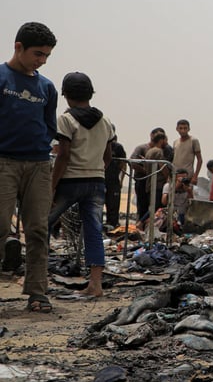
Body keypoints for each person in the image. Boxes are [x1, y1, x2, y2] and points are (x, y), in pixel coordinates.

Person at [0, 23, 58, 313]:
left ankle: (37, 292)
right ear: (18, 46)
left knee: (37, 229)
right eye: (38, 53)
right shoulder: (2, 78)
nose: (42, 60)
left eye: (47, 56)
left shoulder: (46, 86)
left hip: (38, 165)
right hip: (4, 163)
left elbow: (50, 126)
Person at [48, 72, 116, 298]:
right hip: (96, 181)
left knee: (42, 224)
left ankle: (36, 278)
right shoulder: (105, 121)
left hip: (70, 181)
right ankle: (95, 284)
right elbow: (108, 156)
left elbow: (63, 155)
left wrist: (52, 185)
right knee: (94, 232)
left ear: (65, 95)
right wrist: (96, 170)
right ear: (90, 93)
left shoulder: (66, 120)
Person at [104, 130, 126, 228]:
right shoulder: (99, 144)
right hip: (100, 178)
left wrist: (121, 179)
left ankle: (112, 225)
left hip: (113, 179)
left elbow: (123, 164)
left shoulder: (117, 147)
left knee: (113, 204)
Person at [171, 119, 203, 184]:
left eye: (185, 128)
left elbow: (199, 159)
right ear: (177, 129)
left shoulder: (193, 141)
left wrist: (195, 176)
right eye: (181, 128)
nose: (183, 130)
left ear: (189, 129)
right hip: (176, 175)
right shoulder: (175, 142)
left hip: (188, 175)